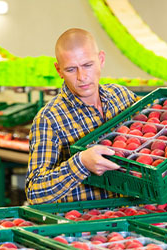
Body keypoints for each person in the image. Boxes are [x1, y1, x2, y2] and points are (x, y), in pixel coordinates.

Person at [26, 28, 140, 205]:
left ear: (101, 59)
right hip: (86, 225)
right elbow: (35, 192)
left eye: (88, 65)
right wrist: (80, 163)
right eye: (71, 69)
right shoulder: (49, 119)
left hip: (135, 214)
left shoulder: (122, 97)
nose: (82, 77)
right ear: (59, 70)